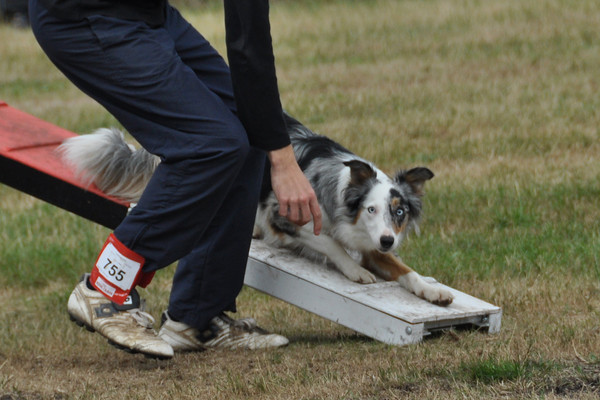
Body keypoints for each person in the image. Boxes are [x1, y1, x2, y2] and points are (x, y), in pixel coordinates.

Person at [29, 0, 322, 359]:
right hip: (83, 17)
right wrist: (283, 159)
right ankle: (105, 288)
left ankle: (195, 317)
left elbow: (249, 48)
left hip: (146, 14)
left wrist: (273, 143)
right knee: (210, 145)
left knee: (247, 127)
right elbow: (249, 46)